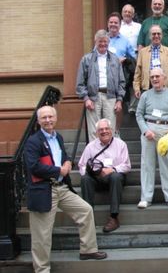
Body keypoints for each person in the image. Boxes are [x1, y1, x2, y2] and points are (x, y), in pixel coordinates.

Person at [24, 106, 107, 273]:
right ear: (39, 121)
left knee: (85, 210)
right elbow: (32, 166)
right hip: (44, 190)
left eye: (50, 117)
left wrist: (68, 162)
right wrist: (58, 170)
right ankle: (42, 269)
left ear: (55, 118)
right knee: (42, 235)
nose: (48, 120)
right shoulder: (33, 141)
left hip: (61, 187)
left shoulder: (58, 137)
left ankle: (88, 250)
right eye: (44, 118)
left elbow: (62, 157)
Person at [136, 67, 168, 209]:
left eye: (157, 76)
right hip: (149, 131)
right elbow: (138, 114)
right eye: (152, 77)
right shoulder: (145, 95)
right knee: (147, 166)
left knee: (167, 166)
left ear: (164, 78)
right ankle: (146, 197)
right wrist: (145, 131)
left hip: (166, 133)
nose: (155, 79)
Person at [78, 118, 131, 233]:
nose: (104, 131)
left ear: (111, 130)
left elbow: (126, 166)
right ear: (97, 133)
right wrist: (91, 172)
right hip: (97, 179)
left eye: (106, 128)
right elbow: (81, 165)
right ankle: (88, 218)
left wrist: (112, 170)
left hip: (115, 178)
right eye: (101, 129)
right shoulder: (90, 146)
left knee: (116, 176)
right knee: (85, 179)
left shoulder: (121, 144)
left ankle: (114, 217)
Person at [76, 29, 125, 141]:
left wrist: (119, 100)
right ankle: (95, 157)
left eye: (105, 42)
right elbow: (80, 83)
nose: (103, 44)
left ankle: (110, 156)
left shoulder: (115, 59)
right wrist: (86, 98)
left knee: (110, 128)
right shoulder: (86, 59)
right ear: (95, 42)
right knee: (94, 131)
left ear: (108, 43)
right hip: (93, 97)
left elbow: (122, 82)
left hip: (111, 97)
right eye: (100, 41)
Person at [107, 11, 136, 134]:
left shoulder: (125, 41)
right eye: (111, 22)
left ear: (120, 25)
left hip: (119, 78)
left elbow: (133, 58)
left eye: (116, 23)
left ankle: (116, 132)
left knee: (118, 107)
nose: (113, 24)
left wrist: (125, 59)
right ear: (108, 24)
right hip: (104, 78)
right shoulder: (103, 39)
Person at [134, 25, 168, 99]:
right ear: (149, 36)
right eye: (153, 34)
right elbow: (138, 72)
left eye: (158, 34)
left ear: (162, 36)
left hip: (166, 89)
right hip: (148, 88)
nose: (156, 36)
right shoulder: (142, 52)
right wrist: (136, 88)